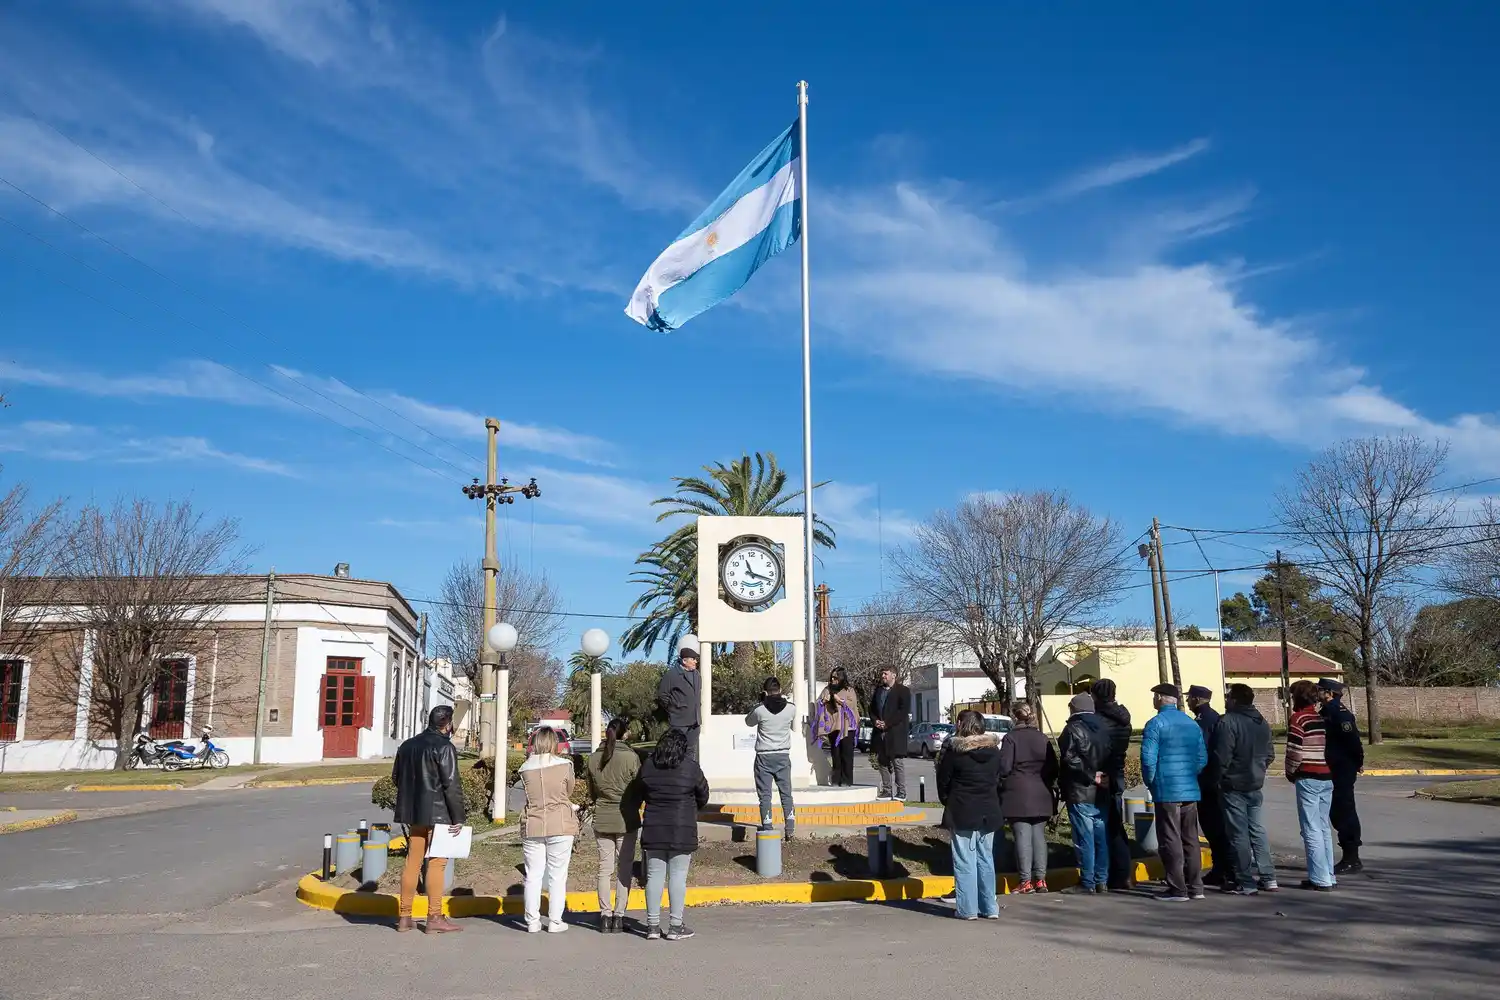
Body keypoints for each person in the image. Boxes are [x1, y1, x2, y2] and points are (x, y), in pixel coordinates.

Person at [391, 705, 467, 934]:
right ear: (448, 723)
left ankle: (404, 916)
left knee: (412, 863)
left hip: (415, 814)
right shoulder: (445, 747)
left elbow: (397, 778)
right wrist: (458, 817)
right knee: (436, 863)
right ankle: (434, 917)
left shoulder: (407, 746)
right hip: (440, 814)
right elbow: (451, 785)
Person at [638, 728, 710, 940]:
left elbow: (641, 790)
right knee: (678, 877)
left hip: (654, 827)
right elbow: (704, 794)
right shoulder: (690, 767)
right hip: (682, 828)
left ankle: (652, 926)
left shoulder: (649, 765)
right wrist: (692, 807)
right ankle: (675, 926)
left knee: (654, 876)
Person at [1140, 683, 1208, 902]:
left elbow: (1148, 759)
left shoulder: (1155, 724)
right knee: (1190, 838)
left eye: (1154, 697)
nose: (1152, 700)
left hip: (1166, 788)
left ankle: (1177, 888)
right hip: (1189, 788)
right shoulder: (1191, 724)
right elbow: (1201, 758)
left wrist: (1152, 783)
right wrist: (1190, 775)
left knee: (1170, 837)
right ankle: (1196, 886)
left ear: (1160, 698)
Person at [936, 710, 1004, 920]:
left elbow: (943, 781)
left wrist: (947, 800)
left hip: (962, 808)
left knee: (964, 859)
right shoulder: (994, 752)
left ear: (962, 726)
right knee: (986, 858)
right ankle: (989, 907)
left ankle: (967, 909)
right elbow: (999, 780)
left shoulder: (956, 752)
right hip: (988, 809)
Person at [1211, 684, 1277, 895]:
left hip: (1233, 784)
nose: (1226, 700)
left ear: (1236, 700)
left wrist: (1218, 778)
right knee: (1257, 830)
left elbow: (1222, 756)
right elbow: (1270, 754)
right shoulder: (1261, 722)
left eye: (1228, 696)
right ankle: (1268, 877)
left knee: (1238, 833)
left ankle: (1245, 881)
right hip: (1255, 782)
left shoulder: (1228, 721)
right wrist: (1259, 769)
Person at [519, 726, 578, 934]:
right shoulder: (565, 765)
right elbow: (569, 791)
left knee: (533, 875)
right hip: (560, 822)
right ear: (554, 743)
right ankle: (555, 920)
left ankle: (532, 921)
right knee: (557, 875)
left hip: (533, 822)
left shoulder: (525, 768)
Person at [587, 717, 641, 933]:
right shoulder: (631, 757)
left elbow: (592, 793)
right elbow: (638, 788)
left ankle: (604, 915)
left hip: (602, 817)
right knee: (624, 868)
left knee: (604, 869)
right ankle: (619, 915)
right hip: (626, 818)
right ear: (624, 734)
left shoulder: (593, 758)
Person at [999, 701, 1059, 893]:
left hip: (1017, 793)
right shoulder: (1042, 737)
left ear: (1015, 716)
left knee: (1022, 836)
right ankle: (1041, 880)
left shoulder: (1011, 738)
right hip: (1041, 792)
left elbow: (1004, 767)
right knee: (1039, 836)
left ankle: (1025, 881)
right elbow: (1053, 767)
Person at [1286, 679, 1336, 891]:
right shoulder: (1320, 718)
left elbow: (1294, 751)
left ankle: (1319, 878)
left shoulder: (1299, 718)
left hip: (1308, 776)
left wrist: (1290, 772)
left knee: (1311, 828)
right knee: (1323, 827)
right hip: (1326, 776)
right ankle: (1328, 874)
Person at [1056, 692, 1109, 894]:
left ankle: (1087, 881)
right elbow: (1114, 755)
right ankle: (1101, 880)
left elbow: (1069, 759)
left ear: (1074, 708)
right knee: (1100, 837)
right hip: (1102, 789)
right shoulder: (1103, 728)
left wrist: (1090, 775)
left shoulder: (1072, 729)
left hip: (1080, 789)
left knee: (1084, 838)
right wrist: (1106, 776)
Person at [1187, 684, 1233, 888]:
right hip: (1212, 780)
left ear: (1197, 699)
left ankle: (1223, 869)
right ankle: (1222, 868)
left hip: (1208, 781)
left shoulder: (1204, 721)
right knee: (1216, 827)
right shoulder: (1212, 717)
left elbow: (1202, 751)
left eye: (1190, 698)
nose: (1187, 701)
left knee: (1214, 827)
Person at [1090, 679, 1135, 892]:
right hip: (1118, 770)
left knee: (1100, 825)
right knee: (1116, 824)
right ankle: (1123, 873)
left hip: (1102, 773)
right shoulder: (1124, 718)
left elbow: (1094, 748)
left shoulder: (1098, 721)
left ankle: (1103, 873)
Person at [1318, 678, 1365, 875]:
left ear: (1329, 692)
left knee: (1344, 811)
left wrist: (1358, 762)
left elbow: (1352, 741)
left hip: (1342, 768)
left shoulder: (1339, 713)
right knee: (1336, 812)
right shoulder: (1326, 711)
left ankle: (1352, 858)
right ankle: (1348, 855)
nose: (1317, 692)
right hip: (1333, 768)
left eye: (1320, 690)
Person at [744, 676, 797, 838]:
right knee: (786, 793)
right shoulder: (791, 709)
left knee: (765, 795)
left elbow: (748, 721)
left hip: (764, 757)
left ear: (765, 691)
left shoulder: (760, 709)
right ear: (780, 690)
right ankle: (790, 828)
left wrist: (760, 701)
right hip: (782, 755)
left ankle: (767, 827)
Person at [870, 667, 912, 801]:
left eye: (885, 674)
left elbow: (902, 711)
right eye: (882, 673)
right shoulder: (878, 690)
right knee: (882, 761)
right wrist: (875, 721)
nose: (883, 676)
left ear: (893, 675)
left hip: (895, 732)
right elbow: (871, 709)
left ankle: (901, 792)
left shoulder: (903, 691)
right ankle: (887, 790)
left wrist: (887, 723)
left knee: (897, 762)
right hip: (880, 732)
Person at [815, 666, 860, 787]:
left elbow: (852, 704)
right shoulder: (827, 689)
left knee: (846, 754)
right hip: (834, 727)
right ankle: (836, 780)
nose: (833, 680)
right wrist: (824, 700)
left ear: (841, 678)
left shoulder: (849, 690)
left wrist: (839, 700)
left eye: (836, 678)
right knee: (836, 754)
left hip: (847, 727)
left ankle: (846, 780)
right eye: (832, 678)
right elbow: (818, 702)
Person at [656, 645, 703, 761]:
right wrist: (674, 708)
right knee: (676, 749)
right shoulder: (671, 675)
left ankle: (689, 773)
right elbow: (663, 695)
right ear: (684, 661)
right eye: (693, 659)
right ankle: (675, 772)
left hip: (695, 721)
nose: (695, 661)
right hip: (679, 721)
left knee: (691, 750)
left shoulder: (696, 675)